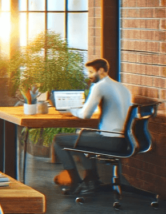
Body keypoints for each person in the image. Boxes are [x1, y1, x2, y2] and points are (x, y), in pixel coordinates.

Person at [52, 58, 133, 196]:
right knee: (83, 136)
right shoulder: (122, 87)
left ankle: (75, 181)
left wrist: (71, 111)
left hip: (111, 140)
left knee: (58, 140)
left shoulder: (99, 86)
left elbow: (85, 114)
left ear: (101, 70)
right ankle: (92, 179)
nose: (88, 75)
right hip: (127, 140)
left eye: (90, 72)